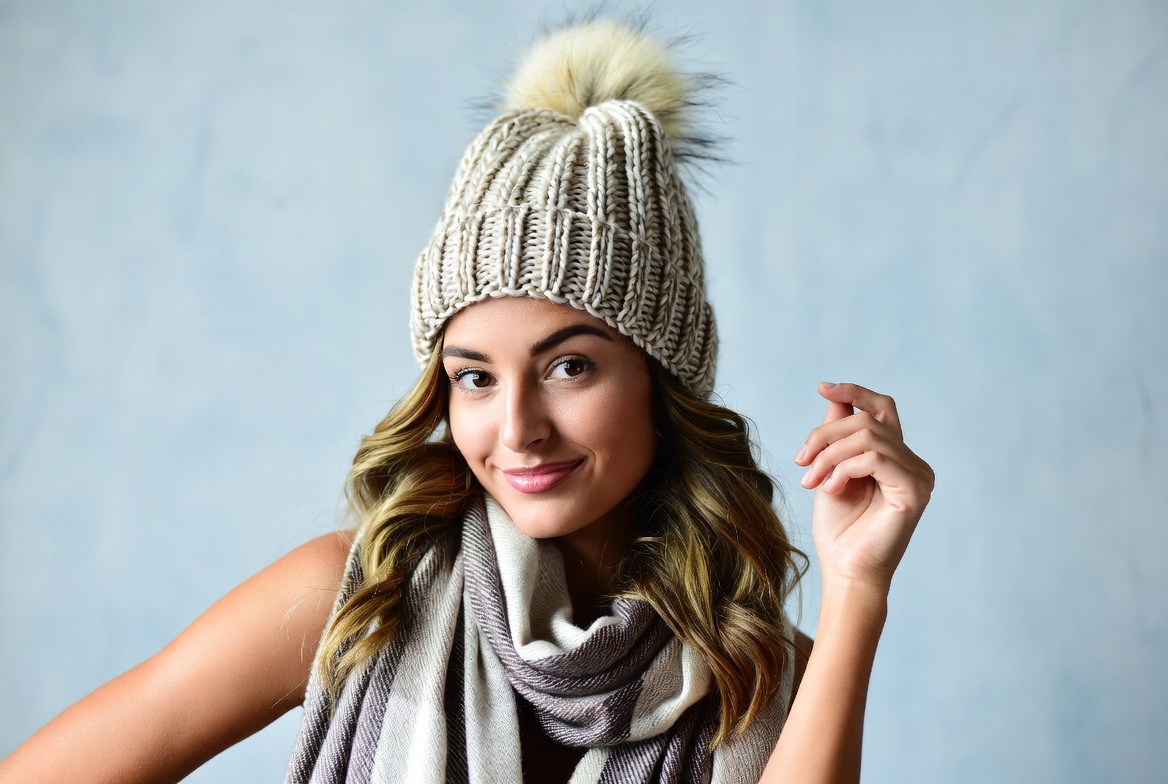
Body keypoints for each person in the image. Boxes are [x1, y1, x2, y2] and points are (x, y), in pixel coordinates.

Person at [0, 18, 934, 784]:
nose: (517, 428)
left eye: (570, 367)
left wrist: (858, 589)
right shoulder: (358, 599)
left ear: (662, 377)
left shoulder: (761, 669)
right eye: (475, 376)